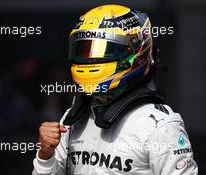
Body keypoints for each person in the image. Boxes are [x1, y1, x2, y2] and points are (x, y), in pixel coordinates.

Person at [32, 4, 198, 175]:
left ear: (135, 51)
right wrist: (45, 156)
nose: (90, 59)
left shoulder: (160, 126)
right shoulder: (73, 118)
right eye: (84, 50)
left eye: (105, 50)